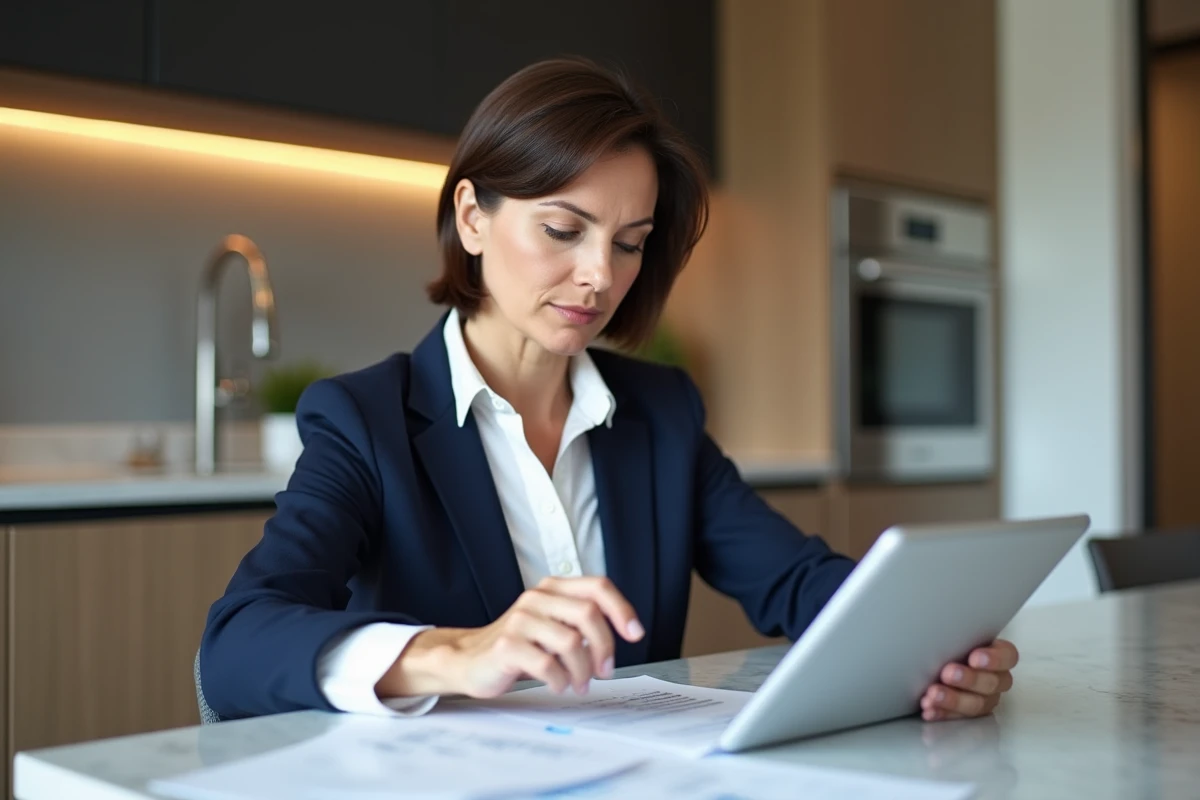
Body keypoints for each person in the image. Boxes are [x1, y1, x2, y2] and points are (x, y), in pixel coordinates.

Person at [200, 57, 1017, 723]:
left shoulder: (661, 413)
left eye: (629, 244)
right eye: (563, 230)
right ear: (474, 218)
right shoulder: (366, 420)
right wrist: (456, 652)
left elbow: (796, 582)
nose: (599, 276)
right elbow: (237, 643)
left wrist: (927, 649)